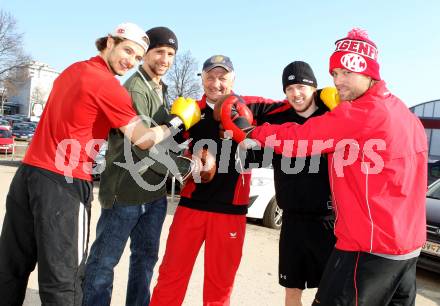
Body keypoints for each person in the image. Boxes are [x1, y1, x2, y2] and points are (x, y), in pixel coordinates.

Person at [0, 23, 199, 306]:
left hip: (29, 174)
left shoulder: (73, 70)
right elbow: (143, 139)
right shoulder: (107, 86)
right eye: (127, 50)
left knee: (12, 267)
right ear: (109, 42)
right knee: (65, 281)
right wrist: (176, 122)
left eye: (136, 56)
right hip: (64, 184)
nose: (130, 60)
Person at [231, 28, 427, 305]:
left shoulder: (361, 113)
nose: (338, 81)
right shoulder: (404, 113)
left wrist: (253, 132)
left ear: (369, 73)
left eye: (347, 72)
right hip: (406, 251)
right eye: (334, 74)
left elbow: (299, 139)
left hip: (368, 249)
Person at [82, 27, 180, 306]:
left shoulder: (161, 88)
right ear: (144, 54)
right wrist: (183, 164)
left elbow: (166, 138)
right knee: (103, 263)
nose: (164, 59)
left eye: (170, 53)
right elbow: (144, 142)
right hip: (125, 192)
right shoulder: (136, 87)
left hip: (154, 194)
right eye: (159, 51)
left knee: (145, 260)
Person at [149, 55, 255, 306]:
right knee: (171, 276)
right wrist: (186, 163)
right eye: (210, 77)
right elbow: (160, 148)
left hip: (230, 211)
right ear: (202, 79)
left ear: (233, 79)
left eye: (222, 77)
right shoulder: (191, 112)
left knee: (219, 286)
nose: (216, 83)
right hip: (191, 207)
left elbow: (292, 108)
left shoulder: (249, 109)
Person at [241, 61, 336, 306]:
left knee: (332, 290)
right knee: (291, 289)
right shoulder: (279, 118)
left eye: (302, 87)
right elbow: (258, 153)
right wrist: (241, 142)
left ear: (314, 87)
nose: (296, 93)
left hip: (328, 220)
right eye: (290, 88)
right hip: (292, 219)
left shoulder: (332, 113)